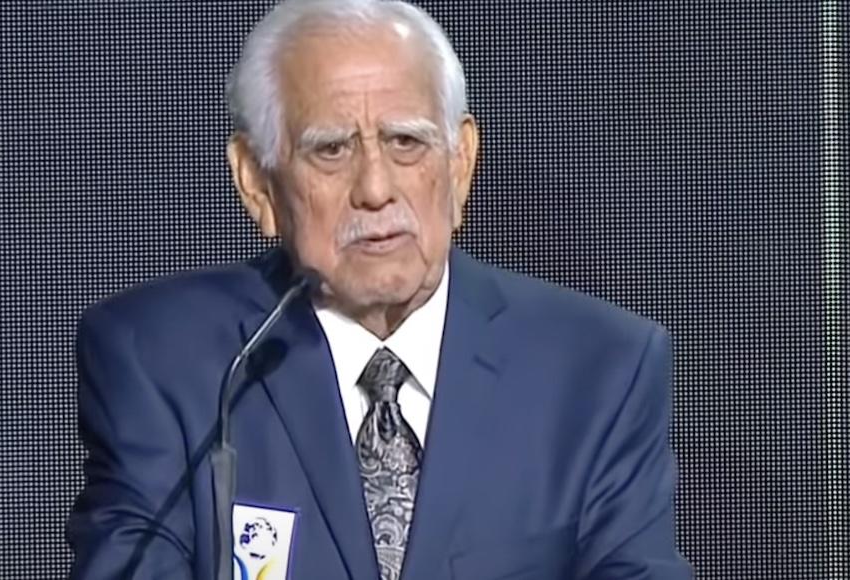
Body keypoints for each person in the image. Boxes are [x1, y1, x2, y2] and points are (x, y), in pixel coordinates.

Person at [66, 0, 694, 578]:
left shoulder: (599, 369)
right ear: (257, 183)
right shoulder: (163, 363)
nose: (375, 188)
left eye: (406, 142)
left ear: (460, 164)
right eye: (331, 150)